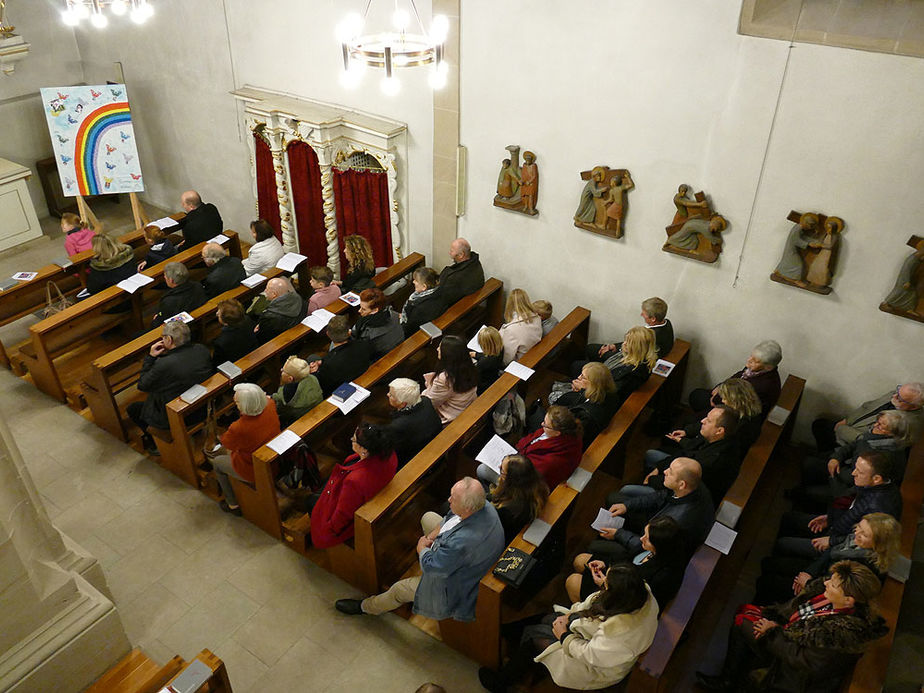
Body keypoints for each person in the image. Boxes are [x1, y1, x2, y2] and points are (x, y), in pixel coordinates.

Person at [695, 561, 888, 693]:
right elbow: (795, 610)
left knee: (741, 626)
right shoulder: (828, 597)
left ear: (848, 600)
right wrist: (773, 616)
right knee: (746, 614)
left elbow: (801, 660)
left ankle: (729, 681)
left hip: (792, 673)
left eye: (834, 584)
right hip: (787, 636)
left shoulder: (840, 635)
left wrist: (771, 632)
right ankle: (741, 669)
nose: (826, 583)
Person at [334, 477, 505, 621]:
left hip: (454, 588)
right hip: (466, 560)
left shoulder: (461, 543)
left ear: (467, 508)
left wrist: (422, 548)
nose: (449, 500)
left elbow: (433, 567)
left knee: (399, 590)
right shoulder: (483, 506)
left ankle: (366, 607)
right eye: (451, 495)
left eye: (454, 499)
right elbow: (450, 517)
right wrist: (432, 537)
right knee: (428, 518)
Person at [478, 564, 658, 692]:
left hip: (594, 666)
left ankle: (502, 682)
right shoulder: (639, 592)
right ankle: (507, 633)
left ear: (615, 595)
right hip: (588, 634)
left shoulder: (621, 634)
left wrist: (564, 636)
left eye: (607, 585)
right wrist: (571, 615)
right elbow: (595, 604)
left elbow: (590, 655)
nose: (603, 585)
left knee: (535, 638)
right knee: (547, 617)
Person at [773, 452, 903, 561]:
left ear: (877, 478)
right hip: (837, 524)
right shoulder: (874, 486)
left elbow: (859, 539)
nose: (853, 473)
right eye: (855, 468)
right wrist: (829, 518)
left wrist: (831, 541)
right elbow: (851, 507)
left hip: (838, 543)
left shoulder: (880, 508)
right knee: (789, 518)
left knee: (783, 544)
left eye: (860, 472)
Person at [755, 513, 901, 605]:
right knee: (769, 563)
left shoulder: (864, 567)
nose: (857, 532)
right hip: (818, 572)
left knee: (768, 582)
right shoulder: (856, 539)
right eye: (859, 527)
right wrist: (809, 572)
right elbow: (832, 550)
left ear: (879, 544)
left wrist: (808, 583)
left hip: (822, 590)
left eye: (865, 534)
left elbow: (837, 592)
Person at [588, 458, 714, 564]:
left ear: (682, 484)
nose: (664, 472)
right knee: (615, 499)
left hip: (648, 548)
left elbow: (649, 547)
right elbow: (660, 496)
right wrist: (627, 506)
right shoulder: (692, 486)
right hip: (653, 525)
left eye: (670, 472)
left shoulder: (677, 523)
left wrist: (618, 534)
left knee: (593, 546)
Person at [126, 321, 213, 455]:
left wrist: (150, 358)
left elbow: (142, 385)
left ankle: (157, 443)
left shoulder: (165, 364)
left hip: (180, 414)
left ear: (169, 339)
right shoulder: (201, 349)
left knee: (133, 409)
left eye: (163, 337)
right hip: (202, 405)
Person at [568, 515, 686, 610]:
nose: (641, 538)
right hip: (617, 574)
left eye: (647, 538)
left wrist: (605, 584)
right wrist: (606, 564)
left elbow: (634, 601)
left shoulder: (663, 576)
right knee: (580, 560)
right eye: (644, 534)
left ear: (659, 545)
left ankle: (584, 612)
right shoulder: (650, 548)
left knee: (572, 581)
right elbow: (626, 558)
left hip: (619, 595)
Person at [797, 409, 913, 505]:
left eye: (881, 425)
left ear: (892, 434)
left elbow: (856, 485)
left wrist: (833, 476)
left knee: (809, 492)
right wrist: (835, 458)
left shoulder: (883, 457)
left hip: (850, 488)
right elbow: (853, 446)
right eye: (877, 421)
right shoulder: (875, 434)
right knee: (809, 464)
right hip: (847, 469)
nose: (875, 425)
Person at [309, 424, 398, 548]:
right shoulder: (389, 454)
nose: (351, 439)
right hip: (371, 492)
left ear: (364, 450)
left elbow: (342, 515)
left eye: (354, 439)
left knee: (311, 502)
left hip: (354, 514)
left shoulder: (354, 481)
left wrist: (329, 529)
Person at [634, 405, 742, 502]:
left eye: (708, 421)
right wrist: (658, 468)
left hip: (680, 493)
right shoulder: (713, 437)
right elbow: (685, 452)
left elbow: (678, 484)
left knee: (628, 490)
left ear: (719, 431)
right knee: (650, 454)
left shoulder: (710, 461)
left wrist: (652, 480)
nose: (702, 421)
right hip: (677, 475)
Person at [210, 383, 281, 516]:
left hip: (253, 468)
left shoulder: (238, 428)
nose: (235, 403)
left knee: (218, 462)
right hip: (275, 458)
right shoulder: (270, 404)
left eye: (236, 402)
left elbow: (228, 444)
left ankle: (233, 504)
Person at [479, 405, 582, 490]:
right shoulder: (558, 433)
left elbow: (526, 477)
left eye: (545, 425)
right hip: (520, 458)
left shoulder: (551, 461)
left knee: (482, 470)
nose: (542, 425)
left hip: (524, 484)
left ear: (557, 432)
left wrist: (505, 469)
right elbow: (531, 439)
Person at [812, 381, 923, 452]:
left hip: (857, 444)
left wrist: (842, 429)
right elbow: (867, 406)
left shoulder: (908, 424)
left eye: (900, 398)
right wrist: (846, 421)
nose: (894, 396)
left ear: (913, 407)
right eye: (898, 390)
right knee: (820, 425)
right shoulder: (895, 396)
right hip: (850, 426)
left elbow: (871, 441)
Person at [689, 339, 782, 417]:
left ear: (768, 367)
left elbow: (735, 401)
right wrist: (721, 386)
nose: (748, 361)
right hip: (726, 397)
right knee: (697, 395)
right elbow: (738, 376)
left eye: (755, 361)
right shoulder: (757, 369)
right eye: (751, 356)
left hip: (733, 413)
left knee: (696, 405)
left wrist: (716, 398)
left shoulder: (762, 386)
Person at [583, 297, 674, 364]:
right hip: (632, 352)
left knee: (590, 349)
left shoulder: (650, 336)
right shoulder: (666, 323)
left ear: (653, 319)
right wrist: (614, 345)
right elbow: (633, 342)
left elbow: (631, 354)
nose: (641, 314)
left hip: (631, 360)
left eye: (644, 313)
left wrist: (607, 353)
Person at [550, 362, 620, 446]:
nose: (579, 377)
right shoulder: (608, 392)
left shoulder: (585, 416)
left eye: (583, 377)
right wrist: (583, 391)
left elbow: (571, 433)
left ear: (593, 385)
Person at [487, 454, 548, 543]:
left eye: (502, 471)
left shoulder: (507, 508)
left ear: (511, 480)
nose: (499, 466)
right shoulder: (535, 486)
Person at [382, 377, 443, 466]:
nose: (387, 395)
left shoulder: (398, 425)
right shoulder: (426, 401)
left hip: (414, 458)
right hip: (433, 444)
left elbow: (394, 449)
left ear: (403, 404)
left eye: (391, 395)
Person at [308, 316, 373, 396]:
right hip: (357, 374)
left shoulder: (329, 365)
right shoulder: (363, 345)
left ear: (328, 334)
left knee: (311, 358)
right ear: (349, 332)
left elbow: (323, 384)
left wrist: (316, 372)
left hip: (338, 388)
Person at [423, 335, 479, 424]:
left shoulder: (445, 378)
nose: (437, 349)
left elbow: (431, 403)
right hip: (466, 404)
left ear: (448, 355)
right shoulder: (469, 363)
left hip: (452, 415)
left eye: (440, 348)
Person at [150, 262, 207, 327]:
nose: (164, 277)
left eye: (165, 276)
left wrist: (156, 320)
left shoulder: (169, 301)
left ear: (171, 280)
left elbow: (158, 322)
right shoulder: (197, 286)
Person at [351, 287, 403, 358]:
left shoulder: (368, 332)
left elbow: (362, 351)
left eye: (363, 309)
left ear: (375, 310)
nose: (359, 311)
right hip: (397, 349)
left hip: (381, 358)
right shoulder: (394, 314)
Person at [270, 355, 323, 426]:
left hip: (297, 421)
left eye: (283, 370)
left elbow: (279, 409)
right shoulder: (313, 378)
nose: (281, 370)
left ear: (290, 378)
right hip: (317, 412)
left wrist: (271, 397)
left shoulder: (286, 392)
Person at [253, 277, 307, 343]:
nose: (265, 291)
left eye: (267, 289)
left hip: (281, 343)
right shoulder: (299, 299)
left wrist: (260, 328)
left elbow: (263, 336)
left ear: (274, 294)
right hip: (298, 336)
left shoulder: (270, 317)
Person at [772, 212, 820, 285]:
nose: (808, 228)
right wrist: (808, 244)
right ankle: (794, 280)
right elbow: (795, 240)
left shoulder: (798, 228)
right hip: (791, 249)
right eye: (809, 226)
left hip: (792, 248)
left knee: (787, 260)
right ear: (805, 223)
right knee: (798, 265)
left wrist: (814, 241)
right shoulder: (798, 228)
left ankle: (779, 271)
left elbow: (802, 237)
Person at [498, 288, 543, 365]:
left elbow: (507, 358)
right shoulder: (536, 317)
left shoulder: (511, 329)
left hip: (518, 362)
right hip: (531, 352)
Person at [436, 238, 485, 305]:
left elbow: (441, 297)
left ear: (461, 255)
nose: (449, 253)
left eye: (452, 251)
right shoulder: (475, 263)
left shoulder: (454, 278)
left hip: (455, 308)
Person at [400, 267, 446, 336]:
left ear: (424, 287)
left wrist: (403, 321)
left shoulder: (419, 307)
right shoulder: (439, 291)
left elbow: (409, 328)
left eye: (416, 280)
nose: (413, 282)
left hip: (416, 334)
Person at [211, 299, 258, 367]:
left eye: (219, 313)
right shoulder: (248, 320)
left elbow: (217, 363)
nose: (217, 313)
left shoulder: (221, 342)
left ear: (226, 321)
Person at [882, 238, 924, 314]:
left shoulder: (916, 258)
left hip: (907, 280)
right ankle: (887, 303)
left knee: (910, 294)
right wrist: (906, 281)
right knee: (900, 292)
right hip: (904, 280)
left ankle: (909, 309)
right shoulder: (911, 260)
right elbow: (906, 269)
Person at [472, 326, 505, 394]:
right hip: (493, 375)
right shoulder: (500, 349)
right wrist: (476, 354)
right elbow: (487, 355)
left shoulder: (484, 362)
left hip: (484, 386)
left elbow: (474, 376)